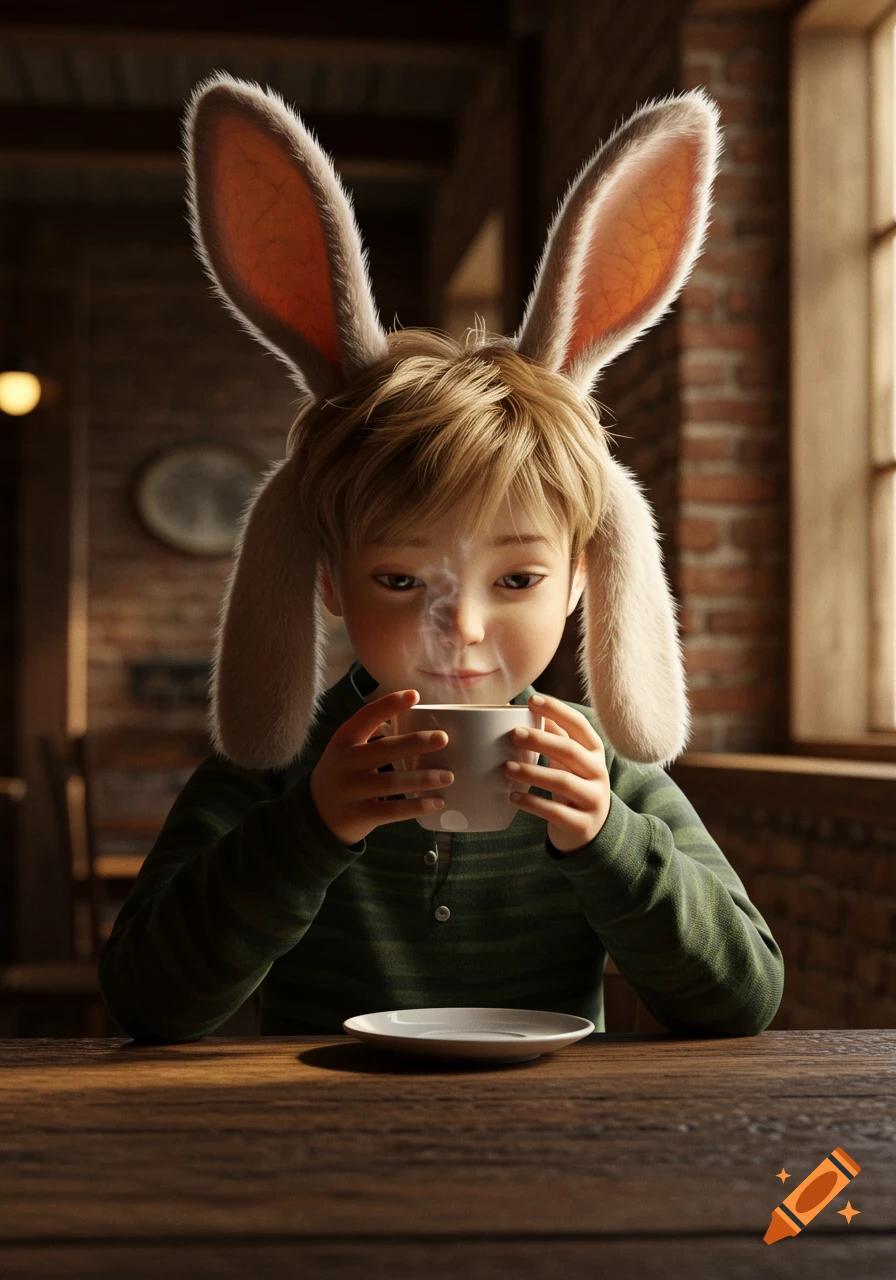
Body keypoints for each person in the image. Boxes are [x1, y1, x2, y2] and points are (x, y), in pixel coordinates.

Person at [98, 75, 784, 1042]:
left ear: (583, 577)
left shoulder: (603, 773)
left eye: (517, 580)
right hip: (312, 1156)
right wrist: (313, 826)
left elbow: (743, 999)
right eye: (399, 580)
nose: (459, 630)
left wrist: (603, 838)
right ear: (329, 579)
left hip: (554, 1163)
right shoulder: (283, 774)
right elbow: (146, 1001)